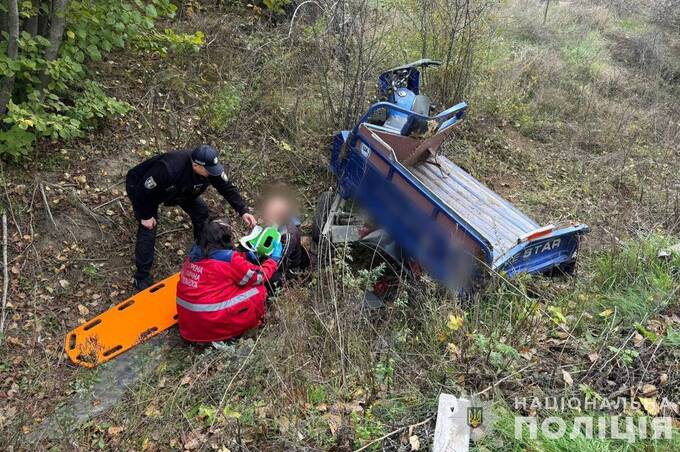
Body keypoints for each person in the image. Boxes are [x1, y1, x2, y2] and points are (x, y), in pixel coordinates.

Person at [126, 145, 257, 290]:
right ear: (195, 165)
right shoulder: (168, 169)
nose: (212, 173)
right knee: (148, 227)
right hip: (144, 190)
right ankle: (141, 277)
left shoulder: (210, 168)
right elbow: (142, 191)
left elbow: (226, 188)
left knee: (201, 212)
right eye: (208, 171)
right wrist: (145, 215)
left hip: (182, 190)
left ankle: (202, 252)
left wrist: (243, 210)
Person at [175, 220, 281, 343]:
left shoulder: (193, 256)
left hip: (189, 327)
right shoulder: (229, 260)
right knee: (258, 290)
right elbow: (258, 277)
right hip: (211, 323)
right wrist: (273, 260)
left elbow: (218, 264)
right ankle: (251, 323)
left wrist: (244, 256)